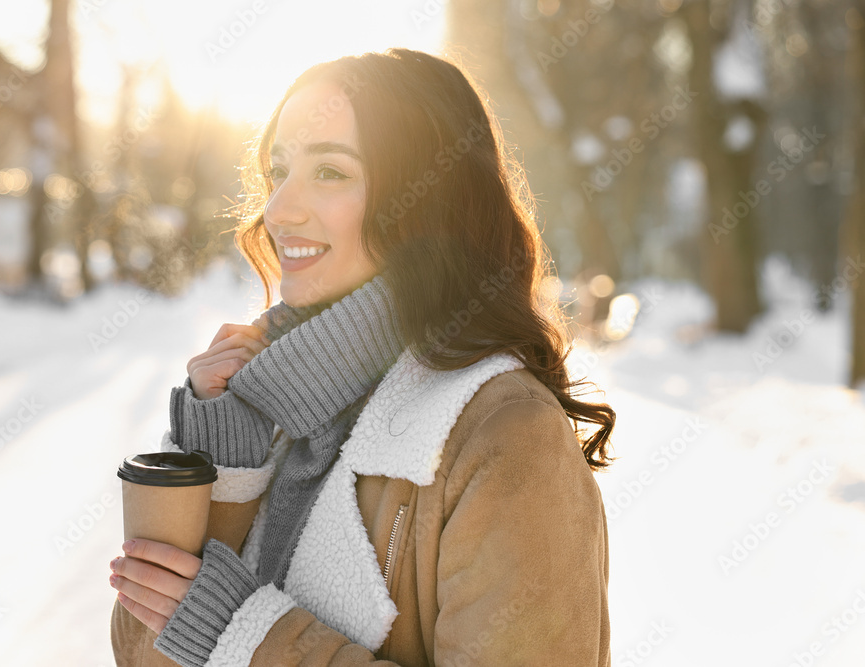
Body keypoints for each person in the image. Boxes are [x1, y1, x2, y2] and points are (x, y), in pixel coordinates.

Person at [108, 47, 615, 666]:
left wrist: (247, 641)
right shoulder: (263, 400)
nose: (279, 210)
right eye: (279, 171)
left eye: (331, 172)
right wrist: (225, 469)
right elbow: (143, 649)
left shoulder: (505, 436)